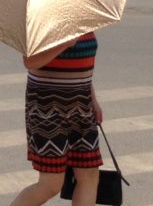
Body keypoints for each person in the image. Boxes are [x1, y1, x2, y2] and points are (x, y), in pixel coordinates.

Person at [9, 32, 102, 206]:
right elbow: (30, 61)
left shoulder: (85, 18)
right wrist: (63, 44)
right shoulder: (44, 19)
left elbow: (83, 64)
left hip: (82, 108)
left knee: (89, 174)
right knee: (51, 184)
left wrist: (93, 100)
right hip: (48, 111)